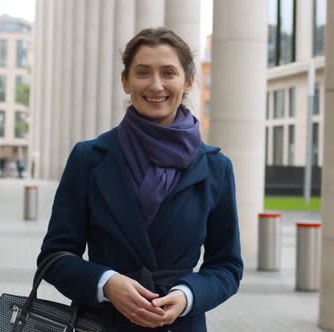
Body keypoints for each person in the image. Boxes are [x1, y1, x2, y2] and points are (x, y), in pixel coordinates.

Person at [38, 27, 243, 332]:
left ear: (187, 82)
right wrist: (106, 283)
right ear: (125, 81)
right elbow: (53, 257)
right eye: (143, 72)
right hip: (100, 323)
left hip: (180, 325)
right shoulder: (89, 159)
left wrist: (187, 296)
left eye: (169, 73)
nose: (156, 85)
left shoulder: (216, 168)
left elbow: (226, 266)